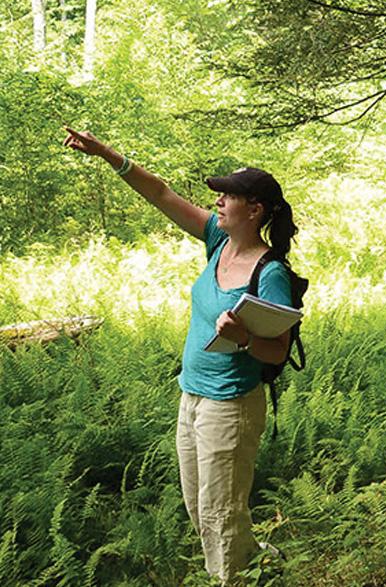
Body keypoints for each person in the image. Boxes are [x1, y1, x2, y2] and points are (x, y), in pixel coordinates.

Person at [62, 128, 298, 584]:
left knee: (221, 518)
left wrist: (244, 337)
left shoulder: (270, 273)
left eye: (228, 196)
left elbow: (279, 350)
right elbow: (160, 193)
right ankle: (265, 564)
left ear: (255, 209)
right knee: (201, 510)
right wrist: (105, 152)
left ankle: (233, 578)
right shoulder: (218, 241)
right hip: (191, 397)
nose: (218, 202)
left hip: (230, 406)